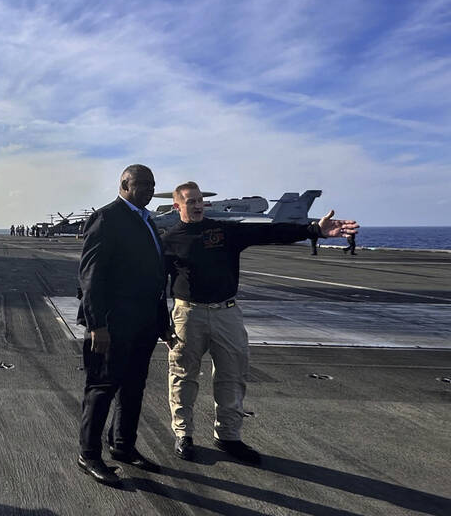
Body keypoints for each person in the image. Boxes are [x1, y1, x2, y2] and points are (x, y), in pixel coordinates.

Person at [162, 181, 359, 465]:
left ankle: (228, 436)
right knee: (182, 376)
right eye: (190, 201)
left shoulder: (224, 230)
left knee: (232, 375)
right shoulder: (170, 239)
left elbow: (269, 231)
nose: (197, 205)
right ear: (177, 206)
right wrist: (160, 322)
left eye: (199, 201)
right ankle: (184, 435)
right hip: (187, 315)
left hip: (226, 313)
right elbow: (158, 282)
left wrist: (314, 229)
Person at [76, 164, 173, 486]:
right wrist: (96, 325)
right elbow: (91, 276)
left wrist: (162, 322)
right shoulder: (108, 218)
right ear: (124, 184)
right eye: (142, 184)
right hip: (113, 324)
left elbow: (155, 277)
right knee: (102, 389)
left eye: (152, 184)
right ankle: (88, 454)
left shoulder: (146, 221)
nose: (148, 189)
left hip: (143, 324)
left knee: (134, 388)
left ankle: (123, 446)